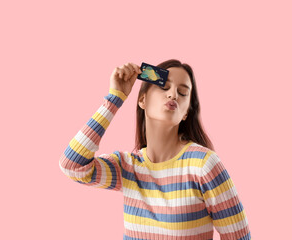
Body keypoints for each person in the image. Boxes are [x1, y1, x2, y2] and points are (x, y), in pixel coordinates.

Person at [59, 59, 252, 240]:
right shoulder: (128, 167)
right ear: (142, 100)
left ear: (185, 113)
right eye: (164, 87)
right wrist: (115, 99)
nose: (173, 94)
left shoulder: (203, 165)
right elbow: (72, 166)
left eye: (183, 93)